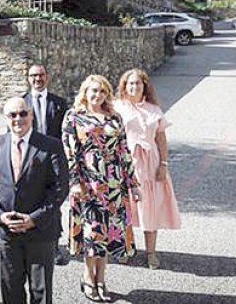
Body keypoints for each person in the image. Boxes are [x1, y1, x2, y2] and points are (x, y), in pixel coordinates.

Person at [0, 97, 68, 304]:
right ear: (6, 117)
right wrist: (0, 216)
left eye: (23, 113)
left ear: (31, 115)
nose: (18, 119)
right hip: (7, 232)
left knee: (41, 292)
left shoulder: (51, 145)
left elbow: (59, 188)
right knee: (10, 290)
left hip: (40, 232)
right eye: (13, 115)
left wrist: (34, 218)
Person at [64, 75, 138, 303]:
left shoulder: (115, 118)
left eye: (102, 91)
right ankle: (88, 278)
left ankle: (102, 279)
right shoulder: (74, 117)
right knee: (92, 234)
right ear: (85, 92)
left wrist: (133, 184)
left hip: (114, 186)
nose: (98, 95)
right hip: (88, 186)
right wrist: (75, 181)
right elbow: (70, 153)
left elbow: (124, 152)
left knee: (106, 234)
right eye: (93, 91)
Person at [113, 68, 181, 270]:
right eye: (130, 83)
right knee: (126, 207)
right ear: (124, 86)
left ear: (145, 86)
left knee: (149, 207)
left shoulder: (154, 110)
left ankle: (151, 252)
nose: (134, 87)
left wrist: (163, 164)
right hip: (126, 161)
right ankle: (126, 248)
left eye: (138, 83)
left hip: (150, 163)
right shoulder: (117, 107)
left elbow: (161, 138)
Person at [23, 64, 70, 267]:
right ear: (28, 78)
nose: (37, 79)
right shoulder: (21, 102)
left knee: (53, 201)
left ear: (47, 77)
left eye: (41, 75)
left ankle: (54, 246)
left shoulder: (59, 103)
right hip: (29, 158)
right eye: (33, 76)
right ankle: (30, 243)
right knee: (30, 199)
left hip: (52, 158)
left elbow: (65, 134)